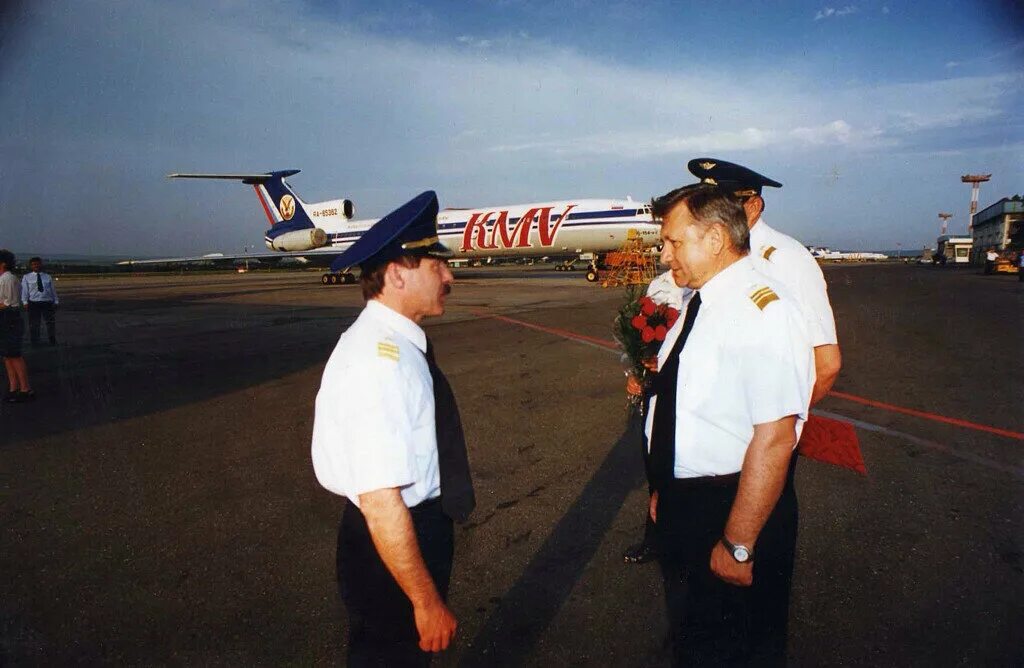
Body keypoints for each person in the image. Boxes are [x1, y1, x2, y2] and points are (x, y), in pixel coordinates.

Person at [647, 184, 814, 665]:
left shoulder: (763, 310)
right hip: (688, 505)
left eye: (674, 242)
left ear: (716, 239)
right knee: (696, 640)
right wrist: (666, 492)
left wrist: (738, 544)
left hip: (733, 507)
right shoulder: (698, 304)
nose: (664, 255)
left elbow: (776, 436)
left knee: (738, 648)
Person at [311, 191, 475, 666]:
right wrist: (425, 603)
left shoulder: (398, 345)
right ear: (398, 274)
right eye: (435, 264)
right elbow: (382, 502)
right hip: (394, 540)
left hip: (405, 533)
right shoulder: (377, 362)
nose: (449, 275)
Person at [689, 158, 841, 406]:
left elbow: (826, 363)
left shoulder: (785, 259)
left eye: (720, 206)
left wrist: (778, 427)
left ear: (753, 206)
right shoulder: (711, 255)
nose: (707, 216)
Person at [622, 267, 688, 565]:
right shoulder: (658, 284)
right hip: (653, 388)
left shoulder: (702, 286)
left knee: (684, 469)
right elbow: (637, 338)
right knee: (654, 462)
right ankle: (655, 540)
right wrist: (633, 373)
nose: (667, 254)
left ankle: (684, 542)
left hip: (685, 391)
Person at [0, 250, 34, 403]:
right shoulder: (4, 278)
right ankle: (14, 388)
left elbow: (8, 303)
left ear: (3, 263)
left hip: (10, 318)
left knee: (14, 355)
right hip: (6, 318)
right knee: (7, 356)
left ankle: (25, 389)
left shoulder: (8, 279)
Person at [21, 256, 59, 346]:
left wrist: (56, 300)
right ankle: (35, 341)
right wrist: (25, 302)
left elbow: (52, 289)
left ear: (41, 264)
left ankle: (52, 340)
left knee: (50, 323)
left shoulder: (47, 277)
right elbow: (25, 290)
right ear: (31, 266)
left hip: (47, 302)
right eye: (34, 264)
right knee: (34, 323)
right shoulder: (26, 277)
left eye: (37, 264)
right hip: (34, 303)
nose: (36, 266)